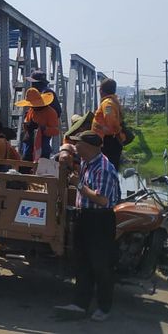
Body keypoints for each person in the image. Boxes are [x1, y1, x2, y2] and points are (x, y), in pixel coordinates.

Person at [54, 130, 120, 322]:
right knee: (81, 262)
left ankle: (104, 307)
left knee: (100, 266)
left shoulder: (104, 168)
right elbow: (65, 150)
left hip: (99, 219)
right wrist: (65, 152)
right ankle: (80, 303)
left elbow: (103, 199)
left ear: (89, 147)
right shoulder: (87, 161)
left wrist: (79, 185)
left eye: (78, 144)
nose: (76, 147)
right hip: (84, 216)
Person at [16, 87, 60, 161]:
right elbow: (26, 125)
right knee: (25, 162)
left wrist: (43, 129)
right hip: (29, 141)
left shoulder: (51, 112)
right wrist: (27, 126)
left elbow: (55, 131)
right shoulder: (31, 110)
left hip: (43, 143)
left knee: (42, 163)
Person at [91, 78, 125, 168]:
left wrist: (108, 130)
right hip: (109, 140)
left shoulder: (107, 103)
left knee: (107, 168)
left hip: (108, 141)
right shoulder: (113, 101)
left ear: (101, 91)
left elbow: (110, 119)